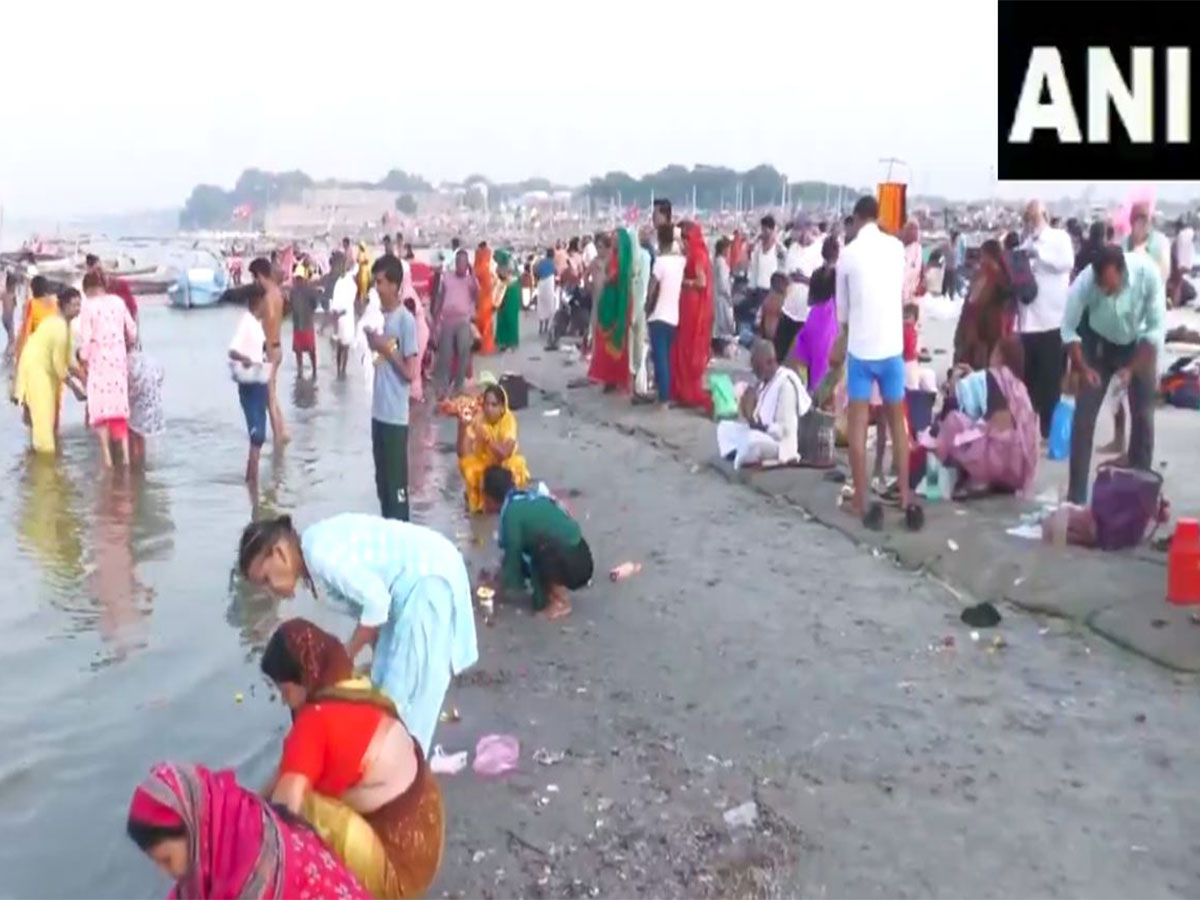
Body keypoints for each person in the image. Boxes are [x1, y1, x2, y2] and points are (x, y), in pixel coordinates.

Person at [237, 513, 478, 754]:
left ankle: (409, 768)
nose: (270, 590)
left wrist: (347, 654)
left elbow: (376, 602)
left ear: (279, 553)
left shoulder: (319, 554)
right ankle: (396, 762)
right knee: (382, 689)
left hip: (425, 582)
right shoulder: (311, 559)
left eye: (266, 579)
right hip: (401, 595)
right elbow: (372, 612)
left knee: (406, 704)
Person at [260, 619, 444, 899]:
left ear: (303, 676)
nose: (285, 702)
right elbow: (287, 769)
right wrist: (249, 802)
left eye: (285, 691)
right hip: (428, 833)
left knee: (299, 808)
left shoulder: (315, 721)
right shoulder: (354, 686)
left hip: (400, 872)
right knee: (293, 783)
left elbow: (283, 814)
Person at [127, 761, 368, 900]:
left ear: (192, 831)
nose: (163, 872)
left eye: (167, 860)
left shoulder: (255, 873)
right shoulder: (229, 823)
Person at [836, 196, 921, 531]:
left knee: (858, 424)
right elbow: (900, 293)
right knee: (898, 423)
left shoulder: (848, 254)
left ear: (857, 219)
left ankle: (860, 499)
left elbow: (842, 312)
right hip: (891, 349)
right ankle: (904, 495)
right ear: (878, 216)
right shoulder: (896, 249)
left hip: (861, 350)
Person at [1061, 244, 1166, 504]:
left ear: (1122, 272)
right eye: (1101, 287)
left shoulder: (1147, 275)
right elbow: (1068, 329)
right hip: (1098, 344)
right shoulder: (1085, 283)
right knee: (1083, 418)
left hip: (1139, 345)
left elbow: (1154, 331)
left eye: (1110, 286)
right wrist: (1083, 367)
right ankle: (1076, 497)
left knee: (1143, 416)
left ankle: (1141, 495)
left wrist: (1132, 369)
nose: (1105, 292)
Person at [482, 465, 593, 620]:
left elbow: (513, 558)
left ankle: (561, 602)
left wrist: (497, 586)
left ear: (490, 498)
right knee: (536, 547)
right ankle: (553, 591)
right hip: (580, 555)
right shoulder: (523, 498)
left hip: (574, 564)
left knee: (540, 549)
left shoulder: (512, 514)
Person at [935, 337, 1039, 498]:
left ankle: (963, 478)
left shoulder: (989, 377)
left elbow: (961, 398)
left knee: (951, 421)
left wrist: (955, 380)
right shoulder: (1019, 386)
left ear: (999, 355)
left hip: (995, 455)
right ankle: (997, 481)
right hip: (1019, 465)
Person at [367, 255, 419, 521]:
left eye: (380, 282)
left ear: (394, 285)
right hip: (378, 413)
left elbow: (410, 372)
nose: (377, 288)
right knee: (382, 487)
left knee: (397, 490)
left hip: (395, 417)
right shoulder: (378, 318)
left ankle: (402, 535)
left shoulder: (405, 321)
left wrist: (385, 348)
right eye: (375, 282)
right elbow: (377, 361)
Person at [1018, 200, 1075, 439]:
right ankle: (1030, 429)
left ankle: (1048, 430)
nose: (1030, 221)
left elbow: (1067, 263)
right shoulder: (1025, 242)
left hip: (1051, 321)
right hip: (1027, 322)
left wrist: (1039, 255)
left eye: (1034, 215)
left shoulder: (1058, 238)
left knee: (1050, 378)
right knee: (1029, 379)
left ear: (1044, 214)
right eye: (1027, 216)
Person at [717, 339, 811, 469]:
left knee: (751, 441)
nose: (755, 373)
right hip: (761, 434)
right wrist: (747, 410)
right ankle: (741, 453)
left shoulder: (785, 385)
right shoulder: (764, 381)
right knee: (724, 428)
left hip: (780, 445)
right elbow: (756, 417)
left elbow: (784, 431)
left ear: (770, 362)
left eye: (758, 368)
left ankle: (744, 453)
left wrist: (763, 428)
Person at [13, 288, 85, 454]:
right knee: (44, 427)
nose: (78, 309)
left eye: (79, 305)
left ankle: (33, 457)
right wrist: (75, 388)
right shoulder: (59, 327)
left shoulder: (64, 325)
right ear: (64, 305)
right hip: (36, 373)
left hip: (39, 370)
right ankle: (45, 463)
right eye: (75, 305)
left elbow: (68, 359)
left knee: (44, 420)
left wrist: (83, 377)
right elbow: (59, 365)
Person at [77, 270, 137, 468]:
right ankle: (126, 458)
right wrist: (127, 345)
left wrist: (83, 357)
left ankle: (108, 459)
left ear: (87, 289)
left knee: (101, 410)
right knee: (118, 408)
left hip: (98, 363)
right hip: (118, 360)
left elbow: (85, 338)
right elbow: (132, 330)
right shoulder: (118, 302)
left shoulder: (88, 306)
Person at [457, 382, 530, 513]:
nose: (489, 409)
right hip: (484, 461)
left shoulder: (508, 421)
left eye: (494, 405)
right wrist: (462, 427)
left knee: (515, 467)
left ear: (502, 407)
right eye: (486, 404)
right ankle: (477, 504)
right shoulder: (478, 419)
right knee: (468, 467)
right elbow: (463, 453)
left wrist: (487, 441)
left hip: (505, 463)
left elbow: (505, 454)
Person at [228, 284, 272, 484]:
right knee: (257, 437)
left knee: (259, 438)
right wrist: (244, 358)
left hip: (259, 381)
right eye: (265, 301)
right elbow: (232, 351)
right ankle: (251, 483)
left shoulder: (256, 323)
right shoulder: (246, 322)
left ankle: (252, 486)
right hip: (250, 384)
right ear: (258, 301)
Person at [670, 221, 714, 410]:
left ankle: (687, 391)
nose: (683, 242)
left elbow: (701, 282)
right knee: (683, 347)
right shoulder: (695, 253)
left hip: (692, 305)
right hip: (689, 304)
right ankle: (682, 390)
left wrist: (684, 282)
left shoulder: (697, 254)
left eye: (685, 238)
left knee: (686, 347)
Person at [953, 239, 1012, 371]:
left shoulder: (988, 273)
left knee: (977, 362)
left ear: (986, 255)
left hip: (980, 328)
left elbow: (974, 300)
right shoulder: (1002, 276)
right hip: (991, 328)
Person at [793, 236, 841, 390]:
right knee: (823, 369)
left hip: (813, 320)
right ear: (837, 254)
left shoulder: (816, 274)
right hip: (829, 323)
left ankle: (805, 392)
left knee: (806, 363)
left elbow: (810, 301)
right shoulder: (839, 276)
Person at [249, 257, 288, 444]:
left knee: (269, 397)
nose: (254, 282)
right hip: (278, 348)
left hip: (270, 351)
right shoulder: (278, 294)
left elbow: (254, 318)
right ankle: (283, 430)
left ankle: (278, 439)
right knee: (272, 393)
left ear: (259, 276)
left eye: (255, 278)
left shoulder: (266, 299)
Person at [588, 229, 633, 392]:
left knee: (617, 339)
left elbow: (615, 279)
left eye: (616, 238)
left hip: (618, 303)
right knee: (605, 340)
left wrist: (605, 279)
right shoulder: (611, 258)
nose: (614, 241)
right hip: (608, 302)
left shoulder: (624, 260)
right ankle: (609, 378)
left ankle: (616, 377)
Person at [646, 223, 685, 407]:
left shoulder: (660, 262)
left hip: (658, 314)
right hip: (673, 316)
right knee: (666, 358)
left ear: (659, 240)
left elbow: (652, 288)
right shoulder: (680, 261)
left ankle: (663, 397)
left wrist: (647, 307)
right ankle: (664, 394)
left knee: (660, 358)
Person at [433, 249, 478, 397]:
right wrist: (435, 320)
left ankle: (459, 386)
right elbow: (440, 297)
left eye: (464, 263)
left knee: (464, 352)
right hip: (447, 320)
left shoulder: (470, 280)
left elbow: (477, 295)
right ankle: (443, 387)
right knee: (445, 354)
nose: (460, 265)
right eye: (458, 262)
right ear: (455, 263)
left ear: (467, 264)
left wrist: (472, 274)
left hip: (463, 320)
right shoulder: (447, 277)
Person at [741, 215, 783, 328]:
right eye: (763, 229)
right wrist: (751, 286)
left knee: (767, 322)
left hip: (772, 290)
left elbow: (784, 267)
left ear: (772, 230)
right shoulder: (758, 247)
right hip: (759, 288)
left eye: (766, 230)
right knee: (756, 320)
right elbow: (754, 267)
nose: (764, 232)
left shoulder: (778, 248)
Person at [127, 342, 165, 466]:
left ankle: (136, 467)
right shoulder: (149, 361)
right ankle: (140, 466)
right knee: (140, 438)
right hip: (149, 404)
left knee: (133, 437)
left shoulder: (127, 363)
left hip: (135, 404)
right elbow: (160, 375)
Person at [11, 275, 57, 369]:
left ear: (33, 289)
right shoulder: (56, 303)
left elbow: (25, 330)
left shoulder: (31, 304)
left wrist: (19, 355)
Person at [628, 227, 652, 397]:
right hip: (641, 302)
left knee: (631, 342)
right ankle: (638, 380)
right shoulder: (646, 256)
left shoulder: (628, 259)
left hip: (633, 302)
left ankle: (633, 378)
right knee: (639, 342)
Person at [328, 251, 357, 377]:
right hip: (339, 317)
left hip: (346, 317)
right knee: (340, 346)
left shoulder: (349, 281)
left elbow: (350, 299)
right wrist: (334, 312)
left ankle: (342, 371)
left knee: (345, 346)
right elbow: (335, 300)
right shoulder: (339, 281)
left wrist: (339, 311)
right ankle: (339, 371)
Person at [290, 262, 320, 378]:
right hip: (297, 325)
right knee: (298, 351)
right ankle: (300, 371)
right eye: (297, 278)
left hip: (307, 324)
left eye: (300, 278)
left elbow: (314, 304)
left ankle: (314, 370)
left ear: (304, 279)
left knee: (311, 350)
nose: (298, 281)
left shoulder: (310, 291)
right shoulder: (293, 291)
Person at [712, 237, 736, 354]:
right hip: (722, 297)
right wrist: (729, 296)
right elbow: (723, 283)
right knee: (723, 323)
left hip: (718, 296)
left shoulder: (717, 261)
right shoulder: (721, 263)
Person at [494, 250, 522, 351]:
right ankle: (503, 342)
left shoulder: (511, 270)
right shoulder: (502, 266)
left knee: (510, 318)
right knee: (502, 318)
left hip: (511, 295)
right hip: (503, 293)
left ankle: (511, 343)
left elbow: (505, 277)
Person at [473, 243, 496, 355]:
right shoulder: (487, 265)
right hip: (487, 297)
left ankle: (484, 345)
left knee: (482, 321)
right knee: (486, 322)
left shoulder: (480, 266)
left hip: (482, 298)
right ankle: (486, 345)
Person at [534, 249, 557, 336]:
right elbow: (556, 272)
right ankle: (546, 327)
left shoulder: (540, 262)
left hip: (541, 283)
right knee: (549, 304)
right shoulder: (552, 263)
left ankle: (540, 327)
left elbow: (536, 271)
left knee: (541, 304)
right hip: (549, 284)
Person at [901, 219, 923, 304]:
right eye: (910, 229)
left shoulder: (917, 249)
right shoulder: (899, 248)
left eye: (915, 230)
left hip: (911, 296)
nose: (913, 232)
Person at [2, 272, 18, 357]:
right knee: (12, 337)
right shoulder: (12, 295)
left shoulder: (4, 293)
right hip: (9, 318)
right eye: (14, 286)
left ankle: (8, 351)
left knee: (10, 337)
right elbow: (15, 305)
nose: (15, 287)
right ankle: (8, 353)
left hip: (5, 317)